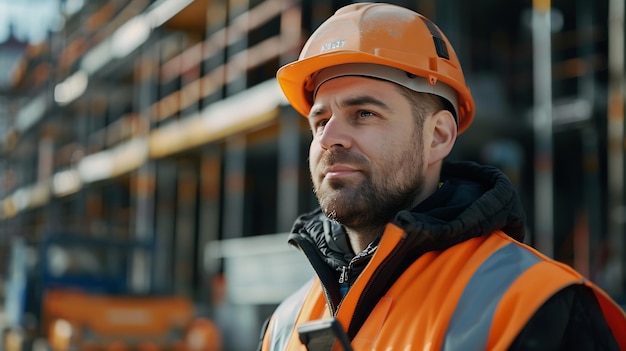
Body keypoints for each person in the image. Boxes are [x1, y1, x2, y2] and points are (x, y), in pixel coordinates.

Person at [259, 2, 626, 350]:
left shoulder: (538, 306)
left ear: (438, 136)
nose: (329, 137)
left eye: (364, 113)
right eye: (320, 121)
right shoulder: (283, 325)